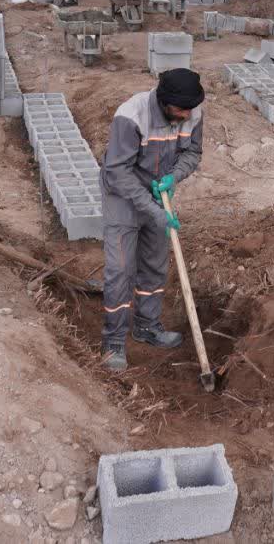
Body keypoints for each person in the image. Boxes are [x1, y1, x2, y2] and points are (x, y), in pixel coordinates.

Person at [98, 68, 205, 371]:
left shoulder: (192, 112)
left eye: (190, 109)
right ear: (163, 102)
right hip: (123, 195)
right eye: (180, 110)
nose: (186, 115)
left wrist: (174, 176)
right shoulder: (131, 116)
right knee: (120, 268)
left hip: (160, 193)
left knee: (155, 264)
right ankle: (113, 341)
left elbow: (192, 153)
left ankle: (146, 325)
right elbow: (117, 171)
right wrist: (153, 209)